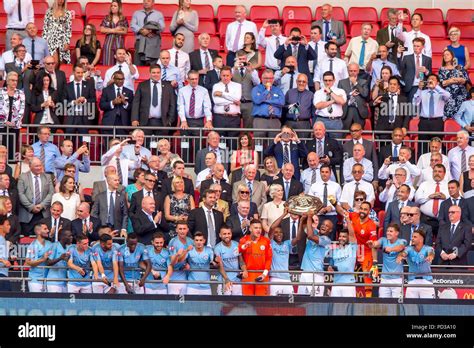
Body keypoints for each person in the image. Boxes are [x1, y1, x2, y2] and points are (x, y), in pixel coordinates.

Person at [131, 64, 176, 134]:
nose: (156, 74)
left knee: (161, 144)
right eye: (153, 72)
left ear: (161, 73)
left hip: (163, 122)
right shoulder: (142, 85)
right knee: (146, 143)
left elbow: (172, 104)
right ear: (150, 73)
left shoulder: (168, 86)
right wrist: (134, 119)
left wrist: (169, 121)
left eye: (158, 72)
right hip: (145, 122)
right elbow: (136, 103)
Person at [345, 202, 378, 298]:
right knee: (345, 269)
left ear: (369, 211)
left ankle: (368, 299)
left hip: (366, 251)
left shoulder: (371, 225)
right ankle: (345, 296)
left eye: (365, 209)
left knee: (367, 275)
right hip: (353, 249)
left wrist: (375, 263)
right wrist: (335, 204)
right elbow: (343, 212)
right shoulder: (354, 215)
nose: (362, 211)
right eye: (361, 208)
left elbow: (373, 245)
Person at [367, 223, 407, 298]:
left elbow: (401, 247)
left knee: (398, 305)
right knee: (383, 304)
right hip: (384, 279)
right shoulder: (383, 240)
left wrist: (391, 249)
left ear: (397, 233)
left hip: (397, 279)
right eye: (387, 231)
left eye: (391, 231)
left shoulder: (402, 241)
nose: (388, 233)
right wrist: (372, 244)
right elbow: (376, 244)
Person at [297, 212, 332, 296]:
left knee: (315, 301)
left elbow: (310, 236)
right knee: (300, 299)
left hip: (316, 274)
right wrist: (302, 219)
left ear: (330, 230)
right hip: (305, 272)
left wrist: (309, 217)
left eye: (327, 226)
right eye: (323, 224)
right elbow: (305, 226)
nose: (324, 226)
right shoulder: (314, 231)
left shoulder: (326, 239)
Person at [18, 158, 54, 235]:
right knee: (26, 240)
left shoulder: (47, 177)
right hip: (27, 214)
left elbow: (51, 193)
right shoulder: (23, 177)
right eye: (36, 166)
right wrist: (31, 207)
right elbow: (21, 194)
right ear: (30, 166)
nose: (39, 168)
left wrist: (41, 205)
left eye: (40, 165)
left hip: (43, 213)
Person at [413, 74, 450, 149]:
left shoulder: (441, 93)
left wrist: (435, 87)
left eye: (433, 79)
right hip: (424, 122)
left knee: (437, 145)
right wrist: (419, 89)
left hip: (437, 122)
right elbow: (415, 103)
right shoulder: (423, 92)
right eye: (429, 79)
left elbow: (448, 96)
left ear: (438, 83)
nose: (430, 81)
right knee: (423, 146)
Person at [397, 229, 435, 299]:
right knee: (411, 307)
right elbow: (403, 253)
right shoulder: (409, 249)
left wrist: (430, 256)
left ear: (421, 239)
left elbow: (431, 253)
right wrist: (400, 256)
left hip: (426, 281)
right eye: (412, 237)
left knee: (427, 306)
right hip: (412, 281)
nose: (412, 239)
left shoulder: (428, 248)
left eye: (415, 237)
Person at [239, 219, 272, 296]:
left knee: (261, 303)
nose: (258, 230)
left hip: (262, 275)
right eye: (256, 228)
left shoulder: (266, 241)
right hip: (248, 274)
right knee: (247, 303)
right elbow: (239, 255)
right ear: (250, 229)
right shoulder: (243, 240)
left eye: (260, 228)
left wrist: (264, 274)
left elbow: (269, 259)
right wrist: (244, 270)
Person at [414, 164, 449, 236]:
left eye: (440, 171)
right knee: (423, 242)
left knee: (442, 243)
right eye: (435, 171)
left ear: (444, 173)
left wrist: (445, 197)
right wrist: (429, 197)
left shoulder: (449, 185)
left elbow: (458, 198)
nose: (437, 173)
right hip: (426, 219)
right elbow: (417, 199)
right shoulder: (424, 184)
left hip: (444, 220)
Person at [268, 222, 301, 296]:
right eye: (276, 232)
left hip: (287, 279)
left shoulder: (287, 243)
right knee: (274, 303)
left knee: (290, 303)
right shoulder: (271, 243)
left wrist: (301, 221)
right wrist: (284, 214)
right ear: (273, 234)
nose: (279, 234)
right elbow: (272, 228)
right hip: (275, 278)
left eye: (281, 232)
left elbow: (298, 238)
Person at [251, 69, 285, 139]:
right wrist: (267, 90)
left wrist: (266, 100)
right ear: (261, 78)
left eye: (270, 78)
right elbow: (257, 100)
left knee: (274, 144)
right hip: (260, 120)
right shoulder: (256, 89)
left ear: (273, 79)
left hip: (274, 120)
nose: (268, 80)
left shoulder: (277, 90)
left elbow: (281, 102)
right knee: (259, 144)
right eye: (266, 78)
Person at [178, 70, 213, 136]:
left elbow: (207, 107)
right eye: (192, 79)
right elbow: (181, 106)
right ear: (188, 79)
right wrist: (183, 120)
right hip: (186, 120)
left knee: (198, 144)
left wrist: (208, 120)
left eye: (196, 79)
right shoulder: (182, 91)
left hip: (199, 121)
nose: (194, 81)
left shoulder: (204, 91)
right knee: (185, 145)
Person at [313, 71, 347, 140]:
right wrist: (334, 101)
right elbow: (318, 106)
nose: (327, 82)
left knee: (337, 145)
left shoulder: (340, 91)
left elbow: (342, 101)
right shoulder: (318, 92)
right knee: (320, 143)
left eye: (330, 80)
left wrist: (330, 92)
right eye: (325, 80)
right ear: (323, 80)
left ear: (334, 80)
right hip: (321, 120)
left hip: (336, 121)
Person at [64, 64, 96, 135]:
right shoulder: (67, 86)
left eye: (82, 73)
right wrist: (74, 102)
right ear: (73, 73)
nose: (80, 75)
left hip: (84, 117)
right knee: (69, 139)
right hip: (71, 116)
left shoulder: (88, 85)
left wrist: (85, 100)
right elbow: (63, 102)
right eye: (78, 73)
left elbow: (93, 100)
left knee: (85, 140)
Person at [232, 51, 260, 129]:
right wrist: (234, 68)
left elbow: (257, 83)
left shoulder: (252, 70)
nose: (242, 61)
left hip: (248, 102)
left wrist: (251, 71)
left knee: (248, 128)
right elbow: (227, 81)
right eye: (240, 59)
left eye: (244, 59)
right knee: (234, 127)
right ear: (236, 59)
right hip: (235, 102)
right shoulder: (232, 70)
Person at [130, 0, 164, 66]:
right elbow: (133, 25)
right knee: (138, 66)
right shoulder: (136, 13)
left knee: (153, 67)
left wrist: (150, 31)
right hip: (139, 43)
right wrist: (141, 30)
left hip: (153, 43)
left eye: (148, 1)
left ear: (153, 3)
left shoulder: (159, 14)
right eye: (144, 1)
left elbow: (162, 27)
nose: (146, 2)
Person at [211, 66, 241, 139]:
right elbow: (217, 101)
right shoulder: (216, 86)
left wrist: (222, 94)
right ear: (220, 76)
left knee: (233, 143)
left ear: (231, 75)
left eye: (227, 75)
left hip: (234, 118)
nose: (225, 77)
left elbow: (237, 98)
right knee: (220, 142)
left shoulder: (237, 86)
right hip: (219, 118)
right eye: (223, 75)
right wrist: (233, 101)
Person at [438, 49, 470, 119]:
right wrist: (453, 80)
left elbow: (465, 80)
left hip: (461, 95)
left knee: (460, 117)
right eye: (444, 55)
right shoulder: (441, 69)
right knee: (448, 117)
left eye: (447, 54)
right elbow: (442, 83)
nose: (445, 56)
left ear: (452, 56)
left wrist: (457, 80)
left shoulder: (459, 67)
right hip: (448, 96)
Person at [214, 226, 246, 295]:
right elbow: (220, 266)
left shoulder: (237, 245)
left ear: (231, 234)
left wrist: (245, 270)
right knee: (224, 304)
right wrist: (226, 279)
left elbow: (241, 261)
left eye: (229, 233)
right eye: (224, 234)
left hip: (237, 280)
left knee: (238, 304)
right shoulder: (217, 248)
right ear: (220, 235)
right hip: (224, 281)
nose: (227, 236)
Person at [0, 71, 25, 158]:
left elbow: (21, 110)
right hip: (1, 126)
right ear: (7, 81)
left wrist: (14, 122)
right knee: (1, 149)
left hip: (14, 126)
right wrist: (4, 121)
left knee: (12, 149)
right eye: (12, 80)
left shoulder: (20, 93)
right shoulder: (1, 92)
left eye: (16, 80)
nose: (15, 82)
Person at [399, 37, 432, 102]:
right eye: (414, 46)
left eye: (418, 46)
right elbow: (401, 71)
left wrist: (426, 71)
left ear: (422, 47)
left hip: (423, 87)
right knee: (411, 109)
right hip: (410, 87)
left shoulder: (427, 59)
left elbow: (430, 75)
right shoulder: (406, 58)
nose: (415, 48)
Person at [327, 227, 357, 297]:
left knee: (349, 307)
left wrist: (347, 218)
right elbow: (331, 265)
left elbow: (352, 235)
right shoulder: (334, 250)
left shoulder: (352, 247)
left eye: (344, 237)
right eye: (340, 236)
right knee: (335, 307)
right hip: (336, 284)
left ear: (348, 238)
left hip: (348, 284)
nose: (341, 238)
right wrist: (330, 268)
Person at [338, 63, 369, 129]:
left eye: (355, 71)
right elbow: (339, 97)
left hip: (359, 111)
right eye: (351, 71)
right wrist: (349, 94)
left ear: (358, 71)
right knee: (344, 135)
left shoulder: (364, 82)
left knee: (358, 133)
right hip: (346, 110)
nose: (353, 73)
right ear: (348, 71)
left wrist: (355, 83)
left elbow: (365, 94)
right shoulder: (341, 82)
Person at [25, 223, 53, 292]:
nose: (48, 230)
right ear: (38, 232)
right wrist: (42, 259)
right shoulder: (32, 245)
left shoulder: (50, 244)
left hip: (48, 280)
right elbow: (29, 262)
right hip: (35, 280)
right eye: (45, 229)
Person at [100, 0, 129, 66]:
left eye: (115, 6)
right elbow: (102, 30)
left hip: (119, 44)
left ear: (119, 7)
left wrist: (109, 30)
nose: (112, 7)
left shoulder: (123, 19)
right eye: (112, 6)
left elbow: (125, 31)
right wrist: (116, 29)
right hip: (108, 43)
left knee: (120, 65)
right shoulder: (107, 18)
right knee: (107, 64)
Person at [168, 222, 193, 295]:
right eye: (180, 229)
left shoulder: (191, 241)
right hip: (174, 278)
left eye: (184, 229)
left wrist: (188, 264)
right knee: (173, 304)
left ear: (187, 230)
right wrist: (186, 251)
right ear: (176, 230)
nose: (182, 231)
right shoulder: (173, 242)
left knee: (184, 303)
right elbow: (173, 262)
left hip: (187, 278)